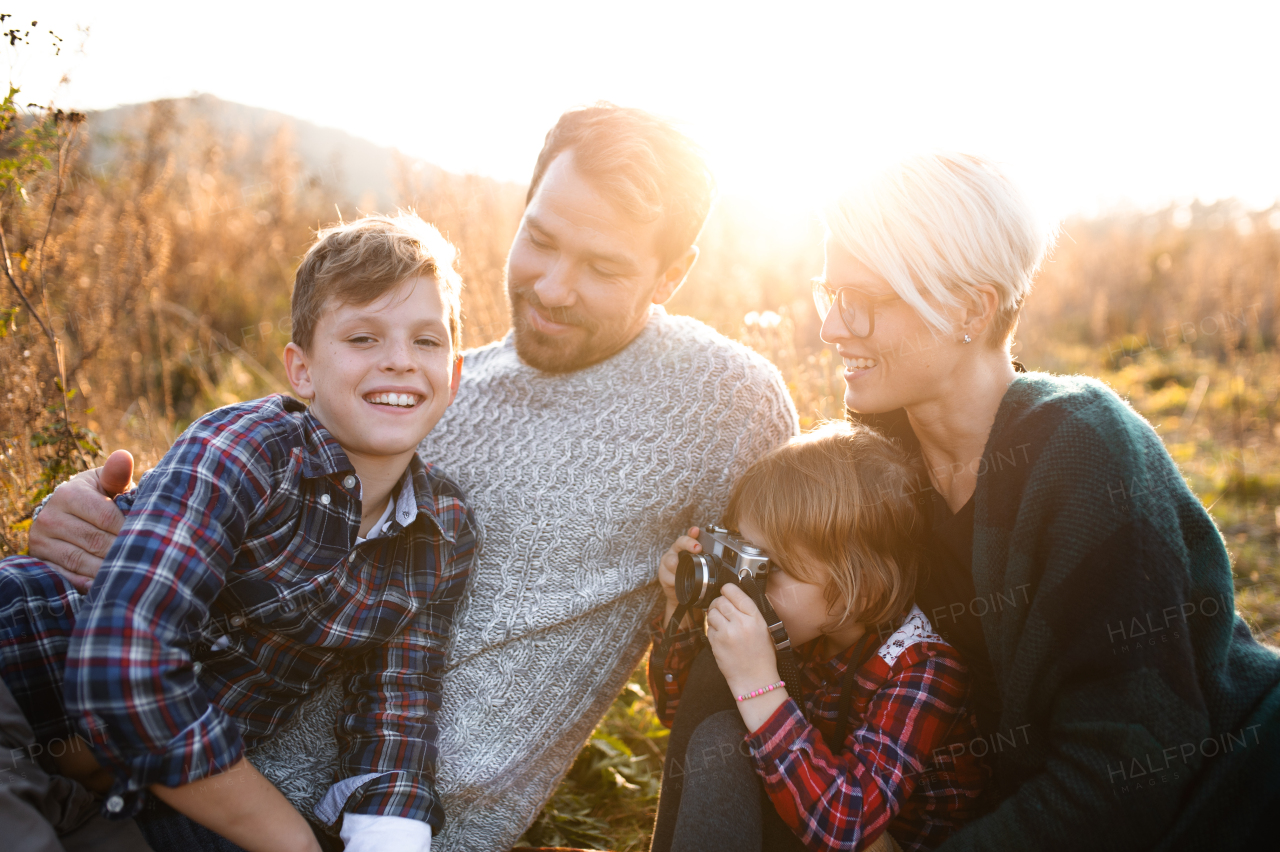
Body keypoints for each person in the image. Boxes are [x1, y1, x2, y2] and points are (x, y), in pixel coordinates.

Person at [25, 103, 800, 851]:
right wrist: (89, 515)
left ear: (671, 275)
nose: (555, 286)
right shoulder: (431, 388)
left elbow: (789, 625)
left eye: (602, 267)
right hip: (195, 773)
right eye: (541, 238)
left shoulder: (725, 402)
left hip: (397, 824)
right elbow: (225, 507)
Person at [672, 151, 1280, 850]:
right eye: (828, 295)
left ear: (970, 308)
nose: (833, 329)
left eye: (863, 303)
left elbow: (1123, 775)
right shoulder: (875, 464)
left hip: (1228, 796)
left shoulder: (1086, 450)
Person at [1, 213, 476, 852]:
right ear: (301, 370)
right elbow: (121, 671)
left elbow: (396, 715)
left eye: (426, 341)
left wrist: (387, 837)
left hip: (135, 780)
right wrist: (295, 842)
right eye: (362, 338)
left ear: (454, 373)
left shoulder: (442, 532)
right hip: (22, 683)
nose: (399, 361)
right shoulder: (250, 449)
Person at [649, 422, 987, 852]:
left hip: (870, 837)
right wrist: (674, 606)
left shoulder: (923, 669)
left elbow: (850, 827)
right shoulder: (797, 624)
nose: (750, 585)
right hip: (801, 804)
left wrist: (758, 684)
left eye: (772, 569)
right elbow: (677, 713)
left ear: (858, 591)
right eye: (746, 556)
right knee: (717, 729)